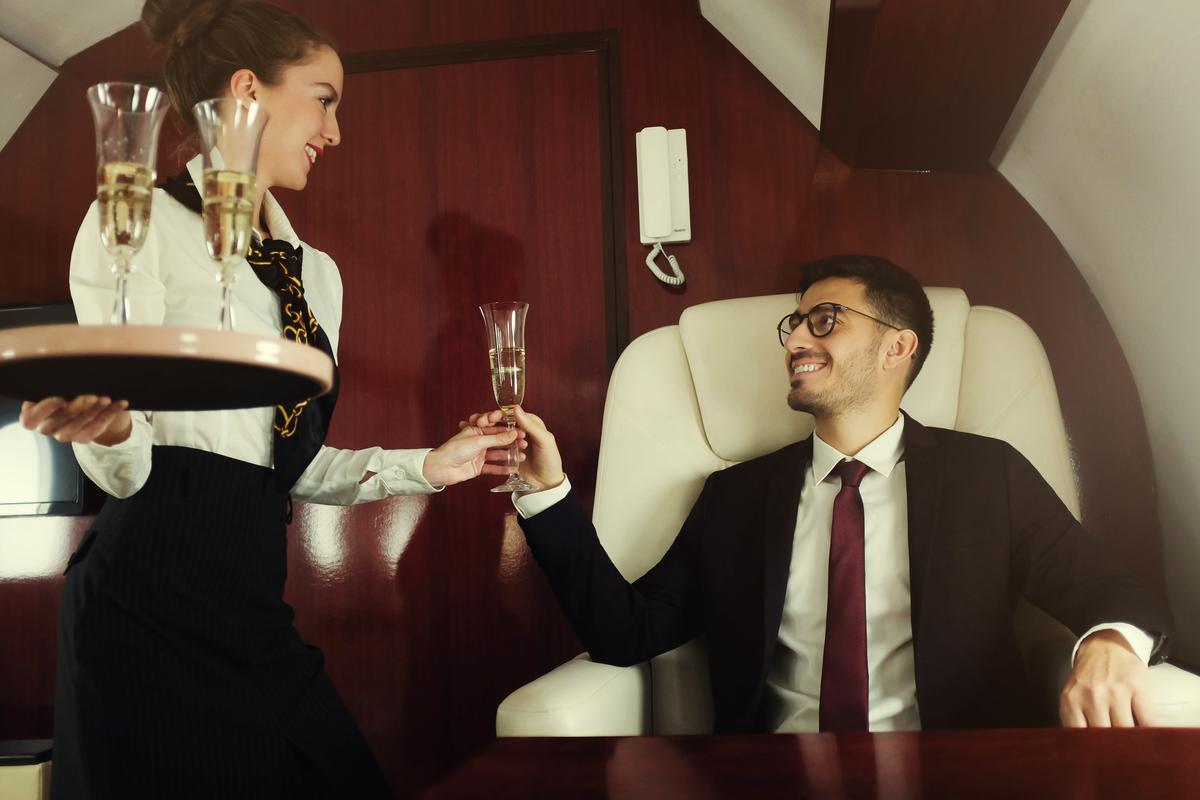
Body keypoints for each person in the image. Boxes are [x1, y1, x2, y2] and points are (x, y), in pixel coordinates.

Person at [19, 1, 518, 796]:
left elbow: (284, 463)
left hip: (248, 602)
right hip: (144, 602)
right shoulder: (135, 222)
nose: (336, 131)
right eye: (324, 98)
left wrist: (428, 465)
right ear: (248, 91)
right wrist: (111, 429)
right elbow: (128, 472)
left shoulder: (315, 274)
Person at [472, 254, 1174, 734]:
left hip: (956, 772)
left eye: (825, 320)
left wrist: (1110, 642)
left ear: (898, 348)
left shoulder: (988, 477)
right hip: (773, 780)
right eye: (795, 325)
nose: (795, 342)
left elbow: (1120, 592)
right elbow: (624, 633)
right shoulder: (736, 498)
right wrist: (546, 494)